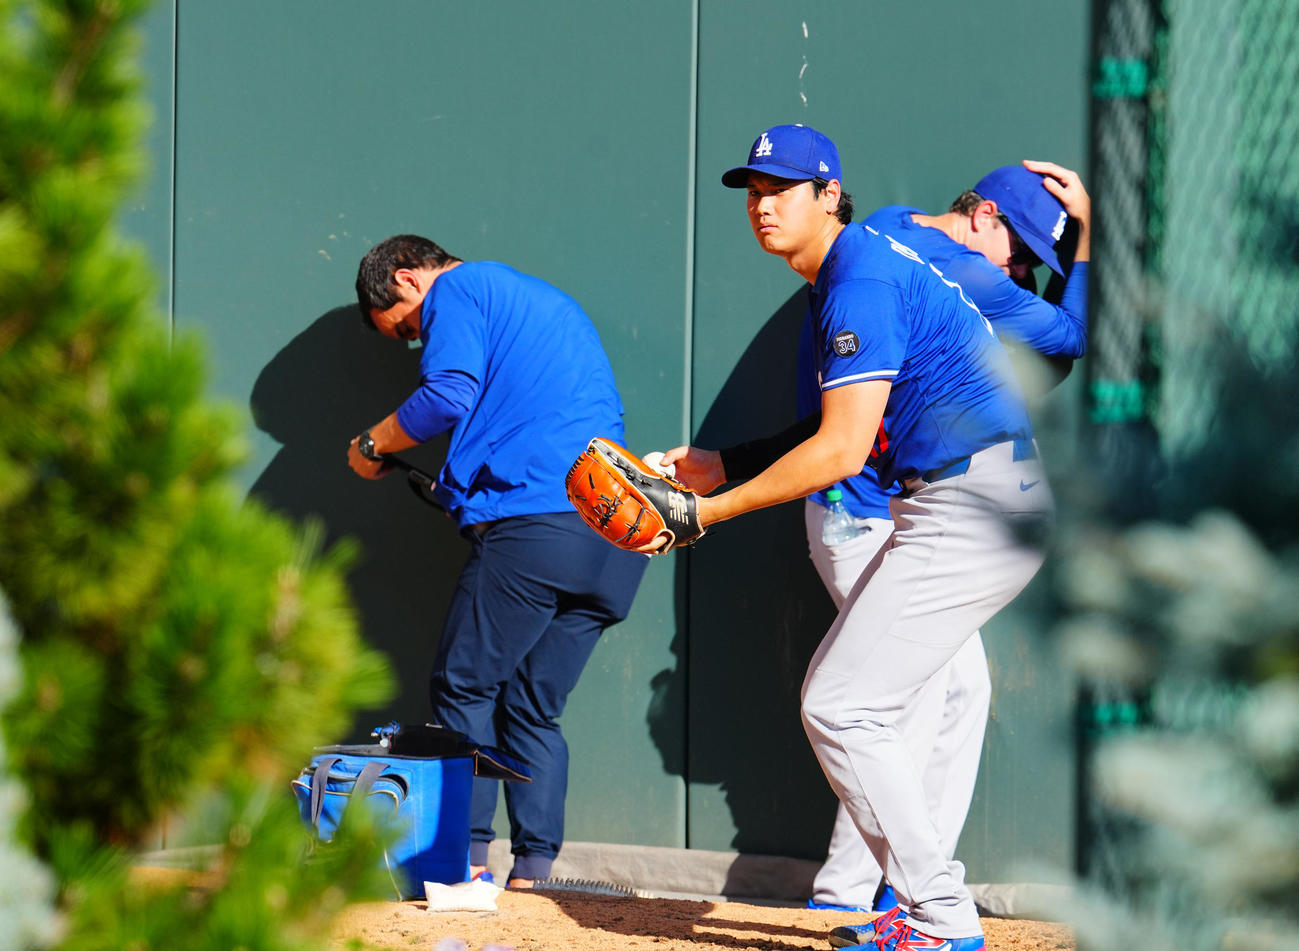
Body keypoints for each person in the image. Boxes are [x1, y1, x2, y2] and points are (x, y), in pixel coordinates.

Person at [657, 125, 1055, 951]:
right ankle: (923, 907)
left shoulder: (860, 276)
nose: (761, 205)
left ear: (827, 194)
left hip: (971, 506)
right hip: (958, 502)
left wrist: (709, 511)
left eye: (781, 188)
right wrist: (722, 463)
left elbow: (839, 451)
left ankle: (937, 916)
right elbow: (844, 426)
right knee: (879, 702)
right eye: (752, 190)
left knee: (843, 704)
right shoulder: (857, 267)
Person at [800, 162, 1090, 923]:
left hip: (930, 498)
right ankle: (876, 896)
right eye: (1020, 248)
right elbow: (1067, 337)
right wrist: (1084, 251)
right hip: (868, 501)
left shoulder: (888, 228)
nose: (1017, 268)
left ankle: (916, 898)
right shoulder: (957, 265)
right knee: (875, 701)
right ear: (982, 212)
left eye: (1033, 263)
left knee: (930, 693)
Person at [348, 235, 648, 888]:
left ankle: (463, 861)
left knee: (463, 687)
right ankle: (535, 868)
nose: (414, 341)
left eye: (405, 328)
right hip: (612, 537)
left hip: (538, 524)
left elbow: (448, 395)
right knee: (531, 708)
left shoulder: (458, 289)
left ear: (407, 278)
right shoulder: (533, 298)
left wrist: (374, 442)